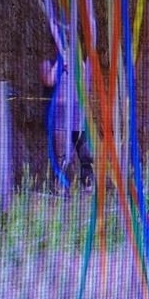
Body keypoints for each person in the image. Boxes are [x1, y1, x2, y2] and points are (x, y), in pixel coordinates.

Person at [39, 52, 95, 193]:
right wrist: (60, 64)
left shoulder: (79, 62)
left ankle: (88, 185)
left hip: (77, 114)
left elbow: (86, 85)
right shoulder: (48, 63)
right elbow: (49, 81)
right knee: (61, 155)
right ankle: (60, 187)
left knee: (85, 151)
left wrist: (79, 68)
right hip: (59, 115)